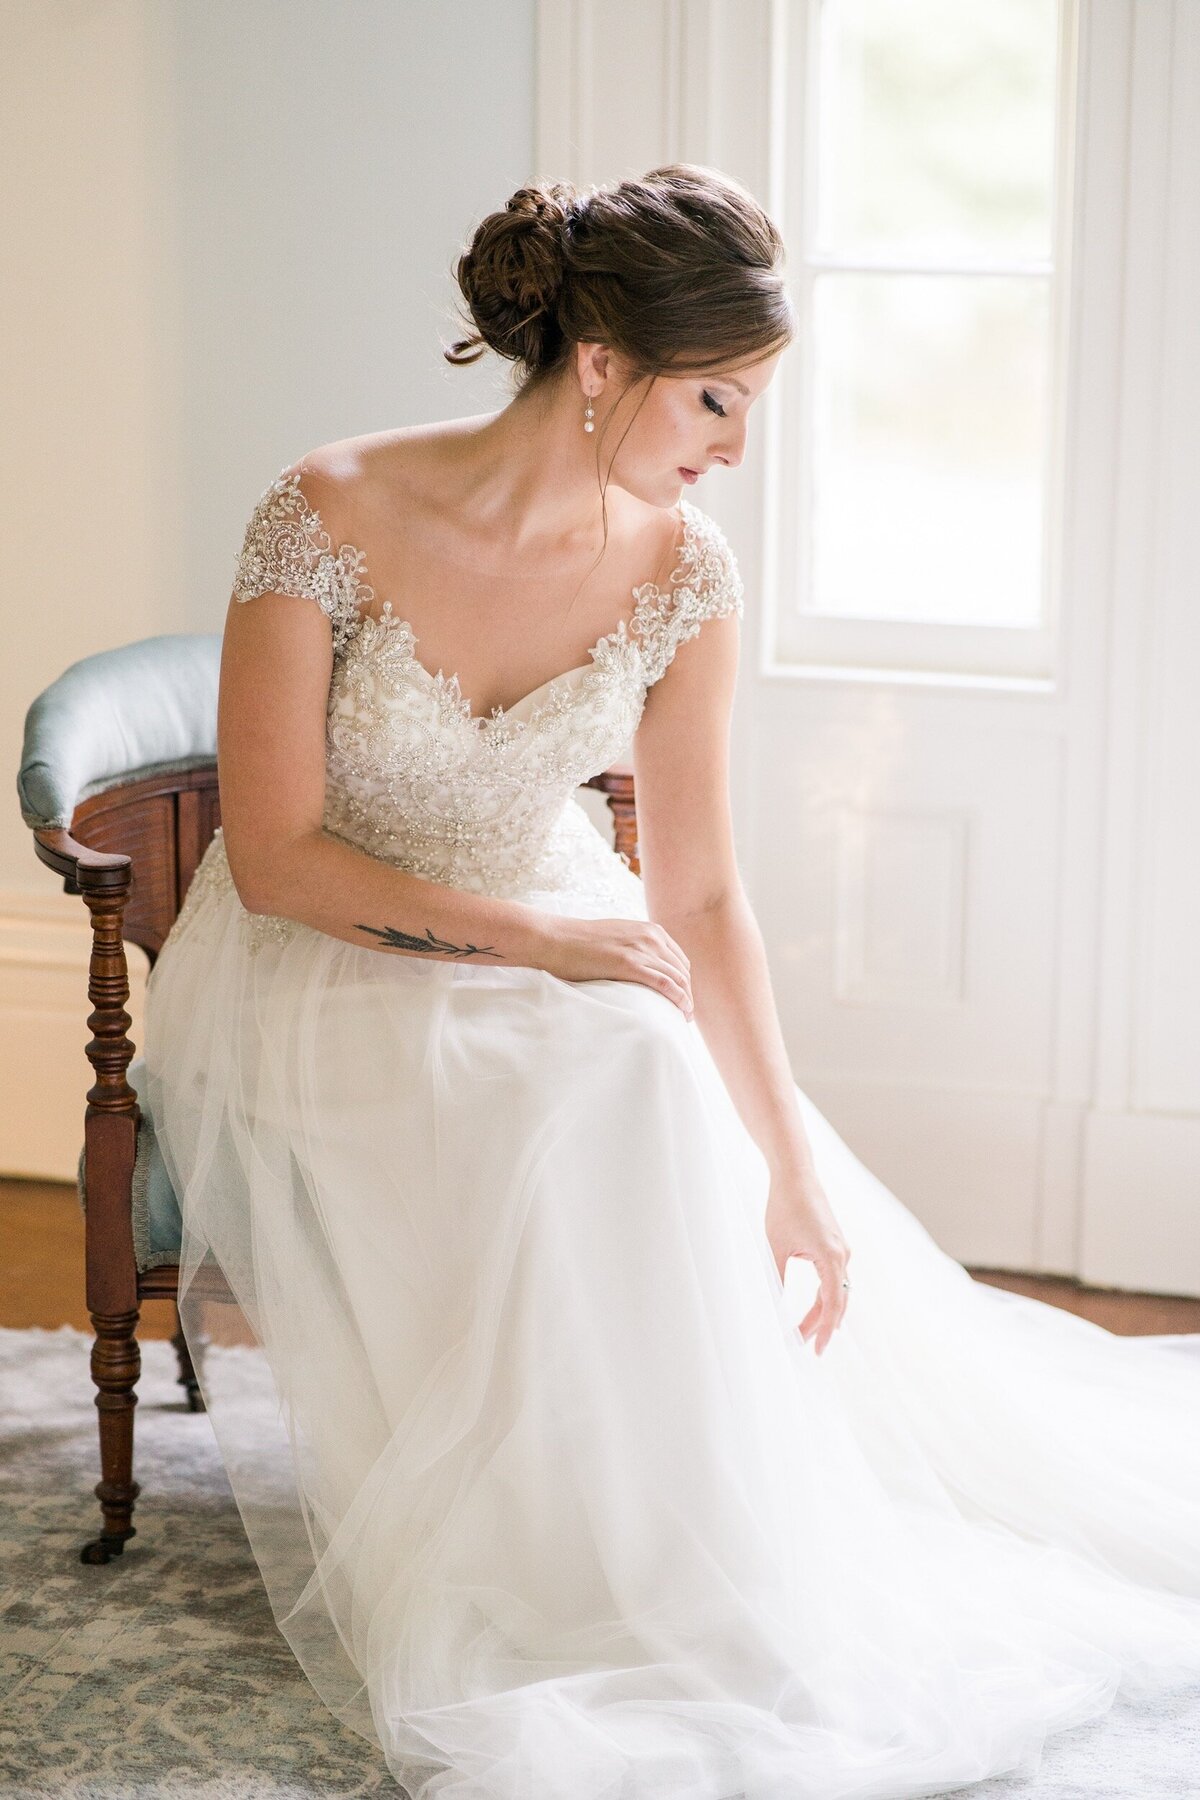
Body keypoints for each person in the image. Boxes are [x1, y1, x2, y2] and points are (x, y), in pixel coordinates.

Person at [143, 165, 1200, 1800]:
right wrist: (551, 943)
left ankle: (685, 1562)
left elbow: (700, 889)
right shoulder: (325, 513)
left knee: (646, 1075)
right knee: (620, 1065)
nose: (733, 447)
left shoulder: (685, 574)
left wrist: (794, 1173)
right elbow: (278, 858)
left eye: (753, 407)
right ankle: (584, 1573)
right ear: (601, 364)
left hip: (562, 927)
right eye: (718, 399)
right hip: (323, 961)